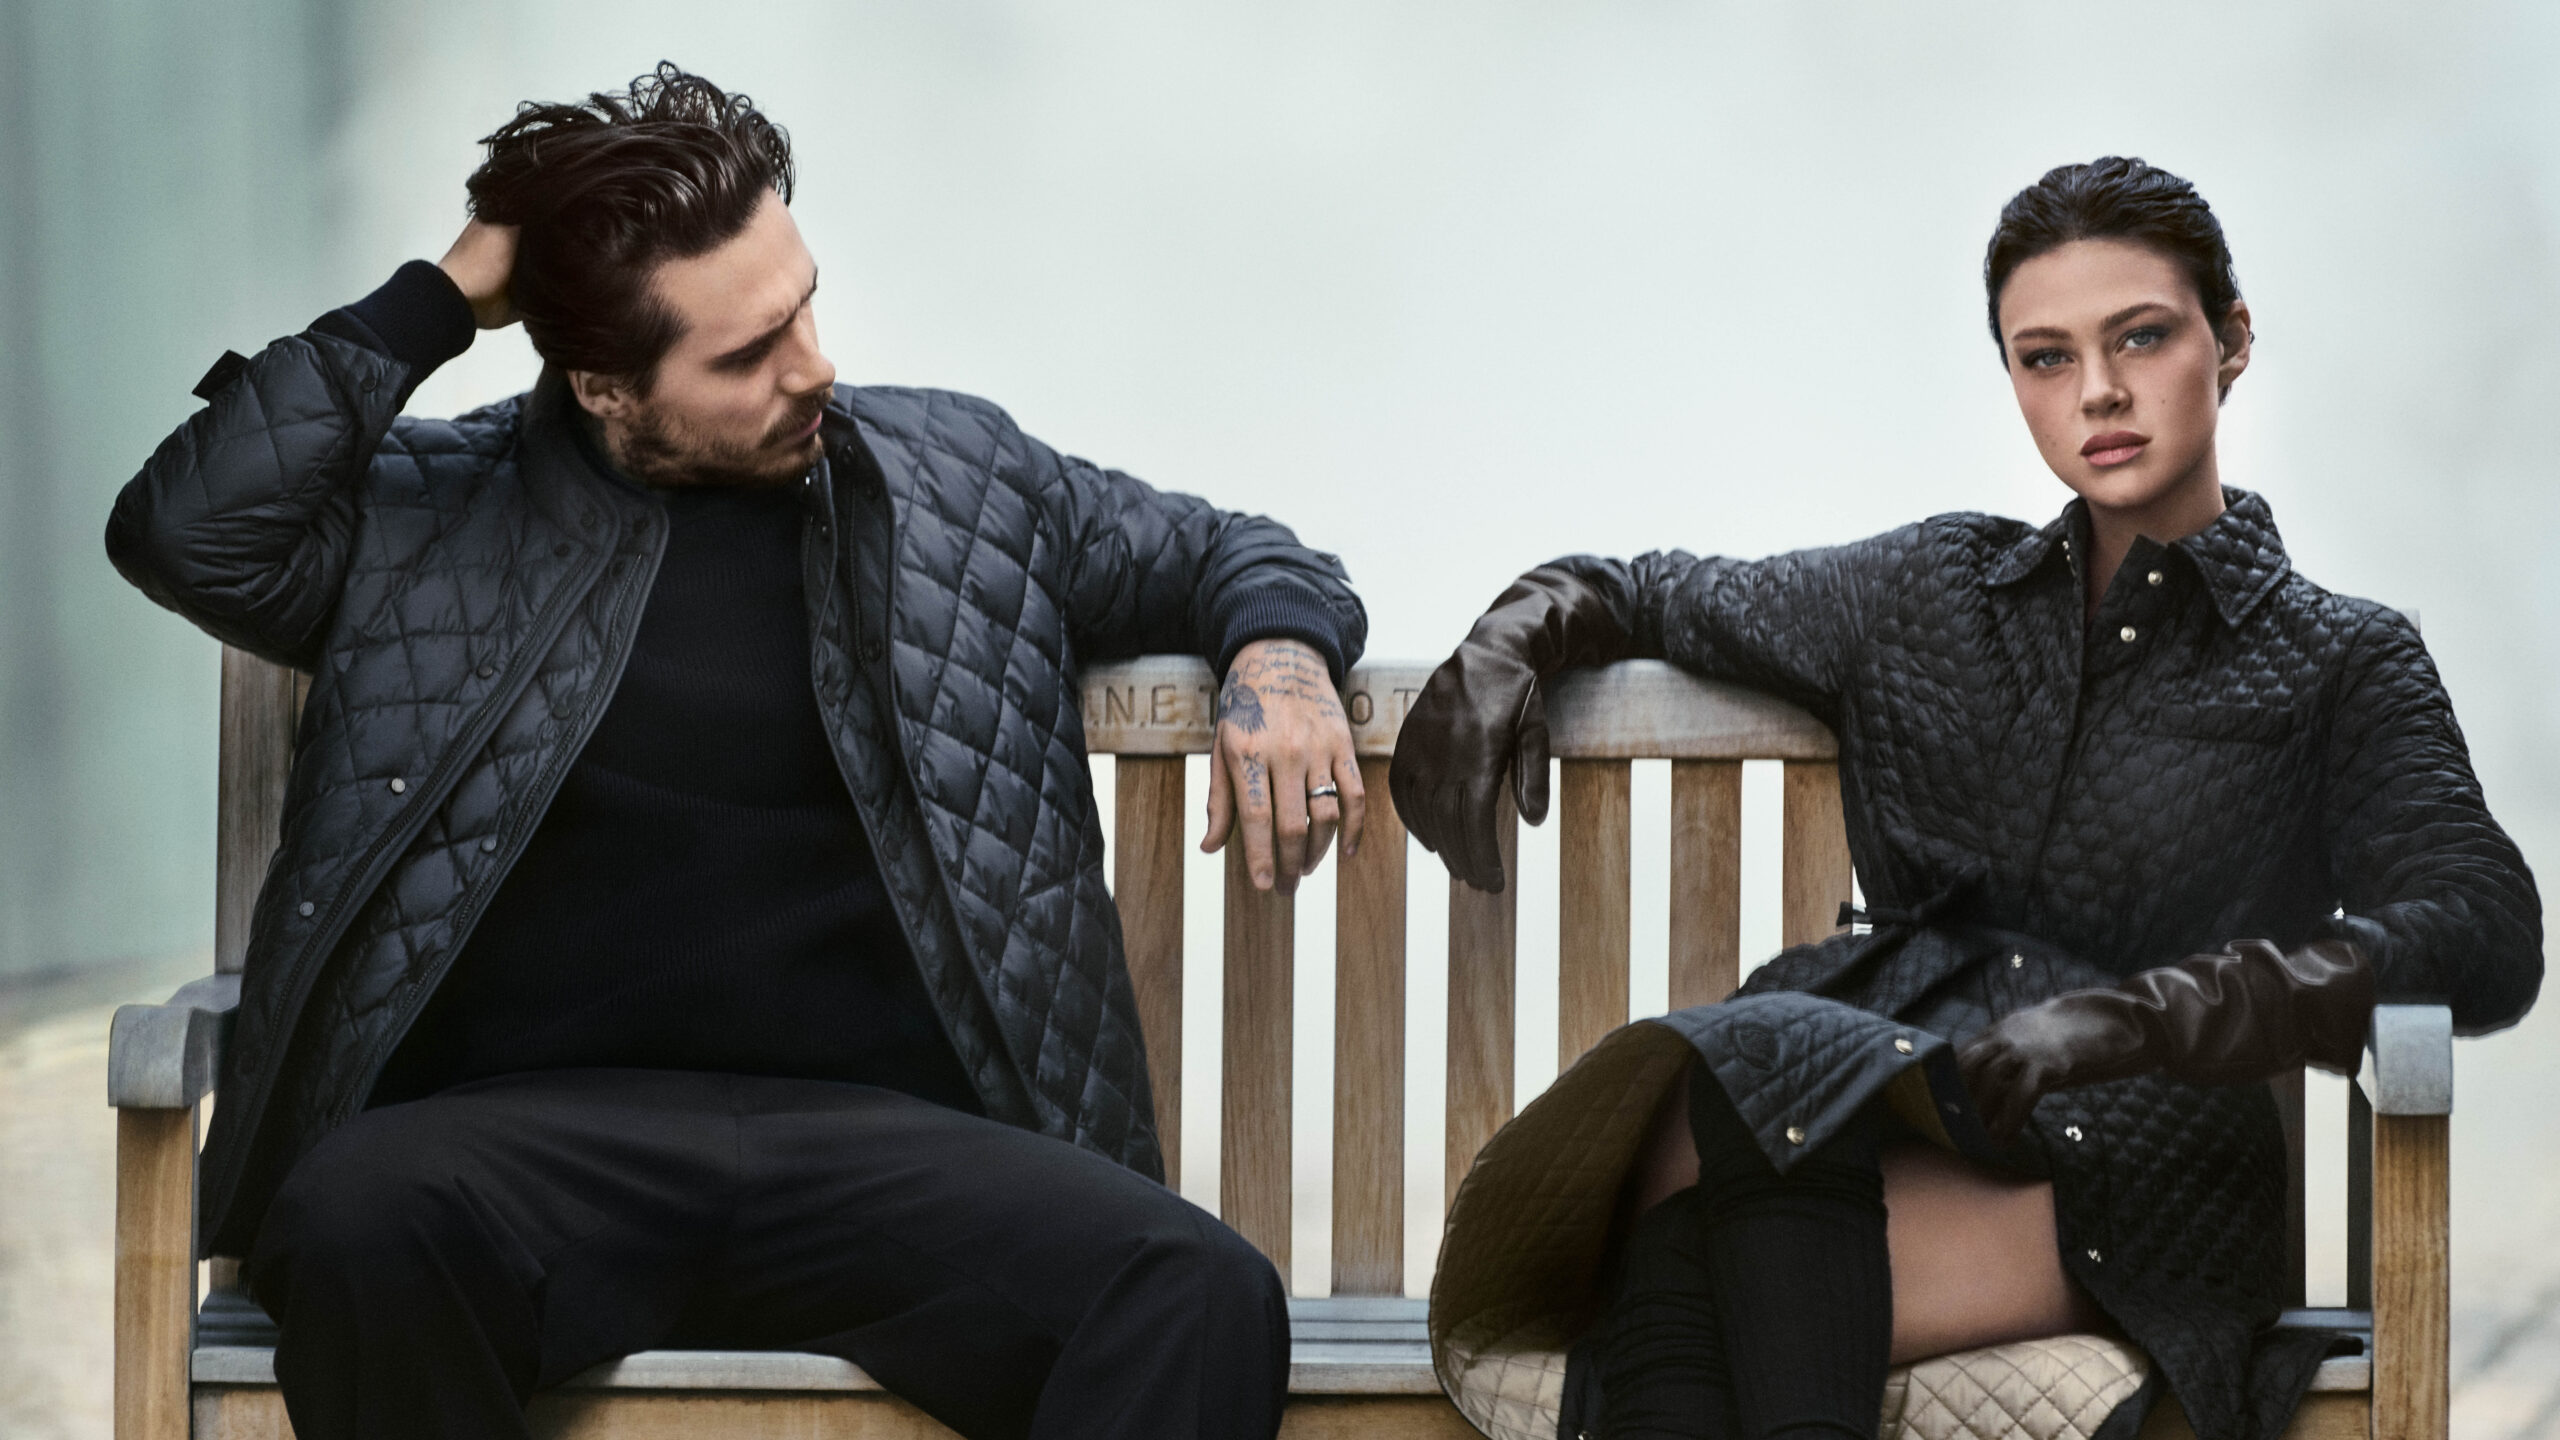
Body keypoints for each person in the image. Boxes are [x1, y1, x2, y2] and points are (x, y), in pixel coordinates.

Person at [107, 64, 1370, 1440]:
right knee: (359, 1223)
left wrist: (1281, 657)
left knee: (1195, 1292)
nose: (812, 363)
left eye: (804, 304)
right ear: (603, 383)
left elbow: (1228, 549)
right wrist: (443, 296)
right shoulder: (425, 519)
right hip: (521, 1157)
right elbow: (188, 531)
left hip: (891, 1158)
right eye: (748, 352)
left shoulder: (959, 483)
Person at [1392, 157, 2541, 1440]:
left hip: (2136, 1165)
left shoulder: (2338, 655)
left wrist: (2137, 1017)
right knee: (1756, 1078)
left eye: (2140, 337)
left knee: (1686, 1261)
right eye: (2045, 358)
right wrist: (1515, 638)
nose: (2097, 391)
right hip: (1866, 1106)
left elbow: (2482, 927)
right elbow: (1645, 589)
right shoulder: (1933, 589)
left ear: (2229, 342)